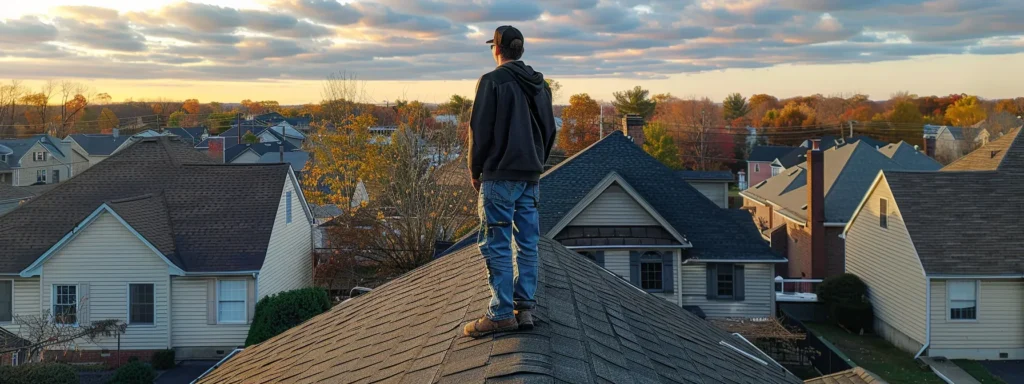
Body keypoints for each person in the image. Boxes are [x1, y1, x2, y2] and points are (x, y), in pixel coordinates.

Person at [462, 25, 557, 338]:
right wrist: (536, 163)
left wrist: (476, 171)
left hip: (499, 176)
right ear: (521, 50)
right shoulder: (540, 85)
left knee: (497, 244)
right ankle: (524, 306)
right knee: (528, 243)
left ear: (497, 49)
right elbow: (549, 131)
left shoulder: (493, 81)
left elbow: (480, 129)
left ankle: (501, 313)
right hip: (530, 176)